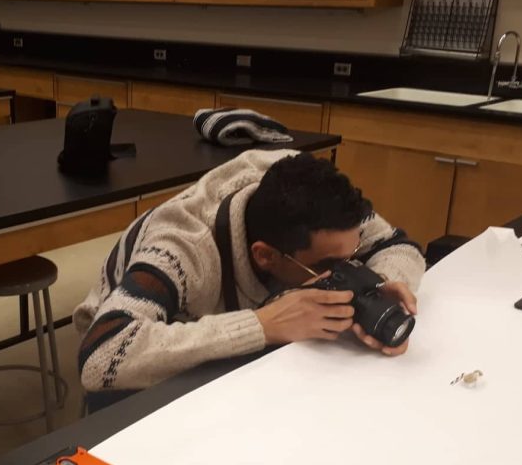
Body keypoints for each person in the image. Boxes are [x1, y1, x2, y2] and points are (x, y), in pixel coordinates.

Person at [75, 149, 426, 393]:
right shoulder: (183, 247)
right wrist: (262, 325)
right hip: (140, 338)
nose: (348, 266)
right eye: (329, 267)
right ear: (265, 256)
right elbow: (102, 357)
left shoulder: (319, 203)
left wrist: (381, 283)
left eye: (352, 254)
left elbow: (398, 245)